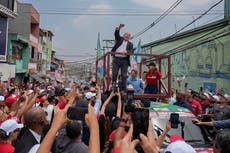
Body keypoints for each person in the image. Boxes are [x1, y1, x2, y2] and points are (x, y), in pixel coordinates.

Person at [111, 23, 133, 91]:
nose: (127, 36)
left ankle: (124, 88)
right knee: (115, 73)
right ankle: (114, 86)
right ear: (123, 35)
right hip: (116, 59)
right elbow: (116, 34)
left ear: (130, 37)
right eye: (126, 34)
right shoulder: (119, 39)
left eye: (129, 35)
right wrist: (119, 27)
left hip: (124, 60)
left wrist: (127, 52)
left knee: (124, 75)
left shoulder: (130, 44)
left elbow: (131, 52)